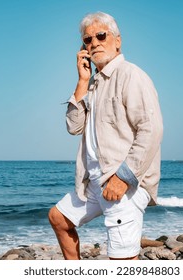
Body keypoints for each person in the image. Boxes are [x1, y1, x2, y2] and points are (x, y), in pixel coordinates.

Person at [48, 11, 163, 260]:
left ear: (117, 40)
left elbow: (151, 130)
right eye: (87, 40)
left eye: (101, 36)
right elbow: (73, 126)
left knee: (121, 263)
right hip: (94, 183)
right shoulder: (93, 84)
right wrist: (82, 80)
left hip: (123, 183)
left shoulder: (131, 75)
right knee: (58, 218)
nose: (94, 43)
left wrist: (123, 178)